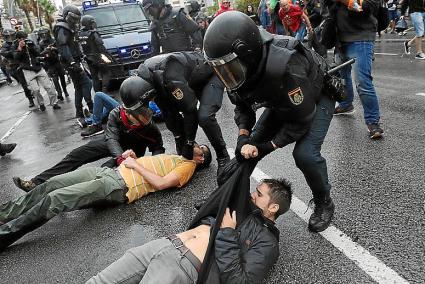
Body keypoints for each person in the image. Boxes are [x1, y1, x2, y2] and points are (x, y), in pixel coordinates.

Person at [203, 11, 340, 232]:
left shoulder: (286, 64)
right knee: (243, 156)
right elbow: (243, 107)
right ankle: (225, 201)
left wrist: (269, 145)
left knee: (305, 155)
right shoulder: (239, 66)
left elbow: (301, 120)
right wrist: (243, 137)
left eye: (228, 67)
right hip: (281, 99)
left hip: (315, 97)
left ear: (245, 54)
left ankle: (324, 202)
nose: (225, 74)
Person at [0, 144, 212, 252]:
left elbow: (162, 183)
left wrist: (135, 165)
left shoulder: (187, 167)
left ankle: (5, 234)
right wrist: (135, 159)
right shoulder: (177, 157)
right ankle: (5, 214)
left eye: (199, 148)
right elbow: (151, 170)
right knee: (51, 184)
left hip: (118, 186)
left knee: (56, 198)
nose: (194, 146)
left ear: (200, 159)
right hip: (110, 172)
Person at [86, 178, 292, 284]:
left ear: (273, 207)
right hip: (164, 244)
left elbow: (240, 281)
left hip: (183, 267)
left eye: (258, 194)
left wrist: (228, 232)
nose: (251, 195)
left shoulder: (268, 241)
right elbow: (230, 176)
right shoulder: (240, 205)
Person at [12, 77, 165, 192]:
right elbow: (111, 138)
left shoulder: (149, 126)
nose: (142, 118)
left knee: (103, 172)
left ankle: (58, 189)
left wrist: (148, 166)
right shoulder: (115, 114)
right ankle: (36, 182)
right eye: (136, 115)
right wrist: (120, 157)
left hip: (133, 154)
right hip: (115, 146)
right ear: (126, 110)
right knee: (77, 154)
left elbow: (158, 148)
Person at [136, 51, 231, 171]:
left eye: (201, 151)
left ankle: (223, 156)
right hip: (189, 81)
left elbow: (190, 111)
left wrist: (189, 142)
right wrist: (179, 137)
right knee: (172, 115)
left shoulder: (168, 77)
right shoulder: (146, 78)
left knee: (205, 117)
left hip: (209, 76)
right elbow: (168, 112)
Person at [329, 0, 384, 139]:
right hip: (340, 38)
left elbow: (369, 6)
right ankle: (346, 104)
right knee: (343, 76)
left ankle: (373, 122)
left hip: (361, 38)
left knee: (362, 81)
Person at [54, 4, 94, 118]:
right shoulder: (62, 27)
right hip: (70, 62)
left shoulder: (68, 27)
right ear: (67, 15)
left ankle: (79, 112)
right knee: (87, 83)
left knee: (78, 86)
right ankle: (90, 107)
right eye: (73, 18)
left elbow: (74, 45)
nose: (75, 21)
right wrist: (72, 62)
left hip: (73, 60)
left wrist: (82, 56)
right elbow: (63, 47)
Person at [13, 31, 61, 111]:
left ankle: (54, 103)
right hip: (27, 70)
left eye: (24, 38)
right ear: (18, 39)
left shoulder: (30, 42)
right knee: (35, 90)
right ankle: (41, 103)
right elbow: (16, 58)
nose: (23, 40)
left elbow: (38, 53)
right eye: (21, 38)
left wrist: (31, 47)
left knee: (49, 86)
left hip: (38, 68)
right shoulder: (14, 45)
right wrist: (20, 48)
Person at [0, 29, 35, 107]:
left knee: (32, 79)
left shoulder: (19, 40)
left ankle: (34, 92)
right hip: (16, 66)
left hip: (25, 63)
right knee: (24, 84)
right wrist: (13, 52)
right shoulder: (5, 45)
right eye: (8, 36)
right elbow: (3, 52)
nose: (10, 37)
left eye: (12, 35)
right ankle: (30, 99)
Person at [79, 15, 113, 92]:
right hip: (98, 58)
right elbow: (101, 47)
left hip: (88, 59)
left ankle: (98, 94)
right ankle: (104, 93)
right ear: (88, 23)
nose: (93, 24)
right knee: (106, 73)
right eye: (92, 23)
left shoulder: (80, 34)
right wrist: (108, 56)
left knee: (94, 78)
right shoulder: (93, 33)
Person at [38, 27, 70, 99]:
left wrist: (54, 49)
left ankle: (65, 91)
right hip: (49, 64)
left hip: (58, 62)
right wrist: (46, 51)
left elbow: (61, 49)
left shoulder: (54, 40)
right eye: (42, 34)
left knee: (62, 77)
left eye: (45, 34)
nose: (44, 35)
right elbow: (40, 54)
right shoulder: (41, 43)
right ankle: (59, 93)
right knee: (55, 79)